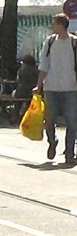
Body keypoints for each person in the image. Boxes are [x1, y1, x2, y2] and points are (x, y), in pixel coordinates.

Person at [36, 13, 77, 163]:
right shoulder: (50, 42)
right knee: (49, 120)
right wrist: (39, 85)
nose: (53, 26)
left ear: (61, 25)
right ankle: (52, 142)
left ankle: (69, 154)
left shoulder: (74, 43)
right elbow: (44, 64)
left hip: (71, 88)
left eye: (54, 23)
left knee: (72, 122)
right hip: (51, 87)